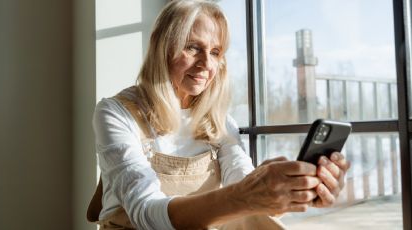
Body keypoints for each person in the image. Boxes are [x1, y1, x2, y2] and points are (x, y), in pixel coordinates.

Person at [87, 0, 350, 229]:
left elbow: (242, 182)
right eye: (192, 47)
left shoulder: (220, 122)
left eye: (215, 52)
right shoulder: (116, 112)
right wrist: (247, 194)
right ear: (161, 48)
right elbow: (145, 214)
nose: (207, 64)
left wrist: (290, 188)